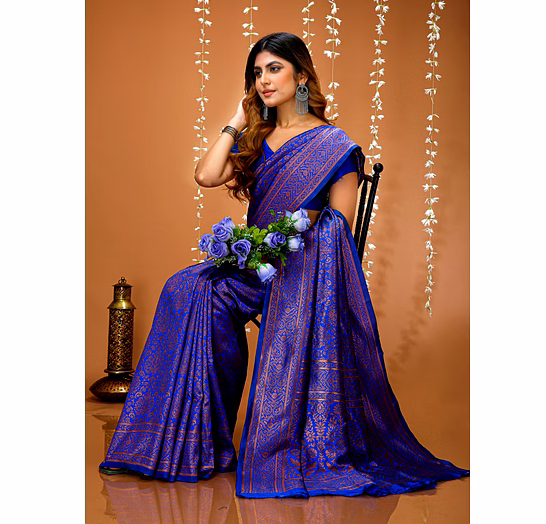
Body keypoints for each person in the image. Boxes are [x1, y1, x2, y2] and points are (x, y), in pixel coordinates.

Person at [99, 32, 470, 498]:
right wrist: (237, 120)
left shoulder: (335, 146)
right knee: (187, 288)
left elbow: (338, 226)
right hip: (253, 269)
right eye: (257, 73)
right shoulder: (258, 139)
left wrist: (293, 235)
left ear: (302, 75)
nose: (264, 80)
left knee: (230, 284)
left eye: (274, 68)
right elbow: (206, 175)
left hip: (303, 274)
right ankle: (198, 443)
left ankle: (273, 444)